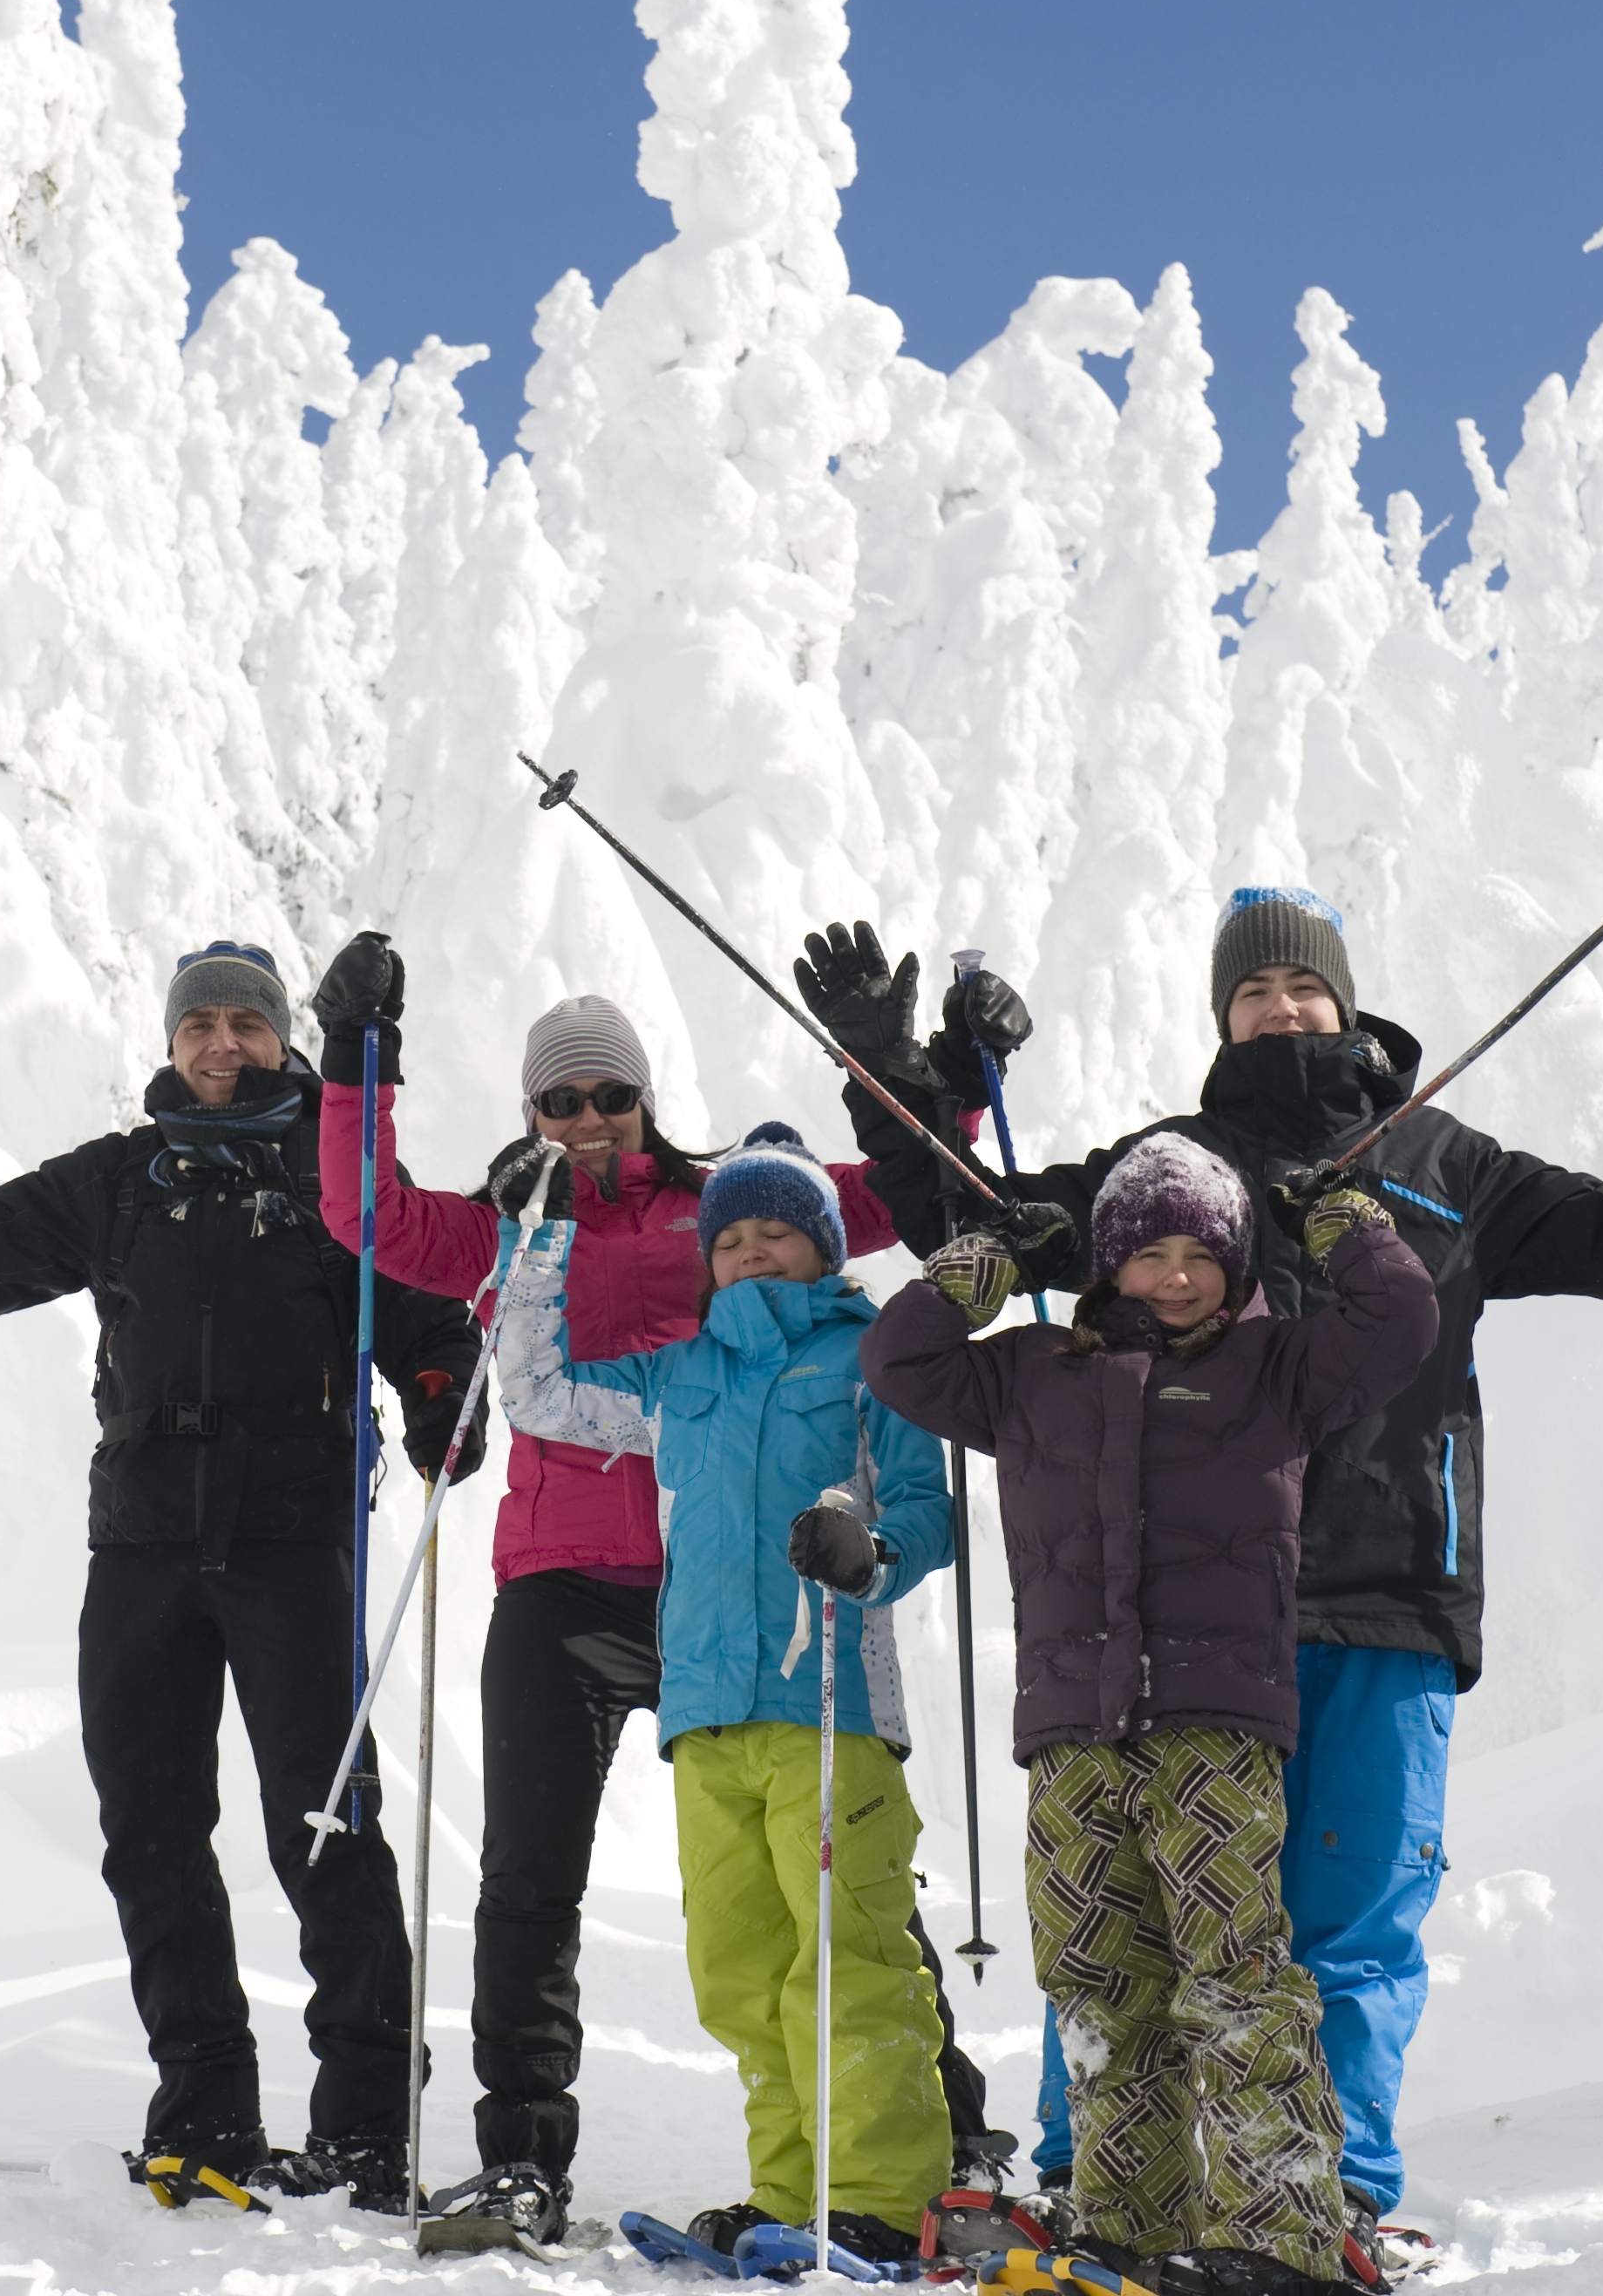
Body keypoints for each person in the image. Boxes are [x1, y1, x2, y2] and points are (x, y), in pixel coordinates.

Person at [802, 892, 1603, 2248]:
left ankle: (1332, 2201)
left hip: (1380, 1596)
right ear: (1224, 1017)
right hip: (1171, 1622)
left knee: (1348, 1922)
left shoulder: (1444, 1165)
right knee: (1134, 1919)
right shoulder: (1169, 1168)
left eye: (1305, 989)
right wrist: (896, 1077)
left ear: (1349, 1003)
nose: (1283, 1009)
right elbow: (986, 1225)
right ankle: (1103, 2191)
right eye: (1255, 995)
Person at [0, 940, 484, 2212]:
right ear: (170, 1043)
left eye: (246, 1021)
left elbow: (437, 1322)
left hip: (294, 1546)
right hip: (143, 1553)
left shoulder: (338, 1183)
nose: (222, 1042)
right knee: (154, 1835)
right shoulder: (118, 1182)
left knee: (327, 1832)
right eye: (199, 1024)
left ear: (283, 1039)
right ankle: (208, 2111)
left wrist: (448, 1394)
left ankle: (366, 2128)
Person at [300, 938, 1007, 2242]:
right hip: (567, 1586)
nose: (584, 1122)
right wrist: (360, 1068)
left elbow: (910, 1194)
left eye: (607, 1097)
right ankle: (523, 2160)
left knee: (843, 1874)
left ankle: (940, 2133)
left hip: (743, 1598)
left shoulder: (738, 1207)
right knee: (530, 1883)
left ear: (646, 1101)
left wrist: (944, 1086)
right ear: (530, 1115)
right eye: (558, 1102)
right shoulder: (509, 1213)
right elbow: (367, 1220)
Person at [866, 1135, 1437, 2294]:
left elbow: (1403, 1328)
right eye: (1148, 1255)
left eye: (1201, 1257)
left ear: (1235, 1267)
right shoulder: (1030, 1370)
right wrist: (975, 1267)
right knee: (1099, 1981)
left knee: (1232, 1973)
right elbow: (900, 1360)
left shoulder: (1278, 1368)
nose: (1176, 1279)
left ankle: (1275, 2233)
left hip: (1214, 1726)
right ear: (1108, 1265)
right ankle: (1130, 2224)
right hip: (1073, 1734)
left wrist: (1347, 1227)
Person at [488, 1124, 956, 2267]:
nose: (752, 1252)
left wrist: (874, 1547)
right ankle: (790, 2192)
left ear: (824, 1247)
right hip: (706, 1719)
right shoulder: (677, 1373)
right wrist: (537, 1232)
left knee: (846, 1957)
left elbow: (926, 1506)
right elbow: (537, 1390)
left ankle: (887, 2198)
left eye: (778, 1233)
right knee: (742, 1973)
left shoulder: (870, 1361)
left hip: (829, 1709)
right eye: (732, 1237)